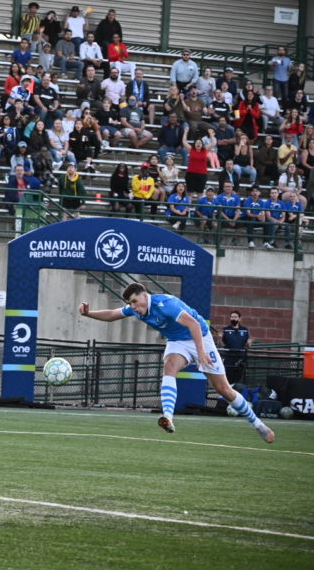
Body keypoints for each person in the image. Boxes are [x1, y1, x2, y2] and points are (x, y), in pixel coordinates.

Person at [79, 282, 275, 443]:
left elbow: (194, 324)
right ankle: (168, 417)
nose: (134, 307)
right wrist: (88, 313)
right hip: (177, 342)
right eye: (131, 304)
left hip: (200, 338)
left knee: (224, 389)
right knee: (169, 366)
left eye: (135, 302)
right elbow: (113, 314)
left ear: (145, 295)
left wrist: (201, 353)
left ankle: (257, 423)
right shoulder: (137, 310)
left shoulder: (166, 304)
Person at [220, 310, 251, 385]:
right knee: (228, 378)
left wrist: (249, 343)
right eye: (232, 317)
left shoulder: (244, 330)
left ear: (239, 319)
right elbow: (221, 345)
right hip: (229, 358)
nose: (233, 318)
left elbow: (248, 345)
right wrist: (220, 338)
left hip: (240, 358)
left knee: (238, 379)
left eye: (235, 317)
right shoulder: (225, 329)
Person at [239, 184, 266, 249]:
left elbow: (263, 213)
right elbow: (248, 214)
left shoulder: (262, 202)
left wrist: (263, 219)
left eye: (257, 191)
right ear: (251, 193)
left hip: (256, 219)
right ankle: (250, 241)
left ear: (259, 193)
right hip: (245, 219)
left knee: (268, 223)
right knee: (251, 220)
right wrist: (258, 216)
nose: (255, 193)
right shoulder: (247, 200)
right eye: (253, 191)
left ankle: (266, 242)